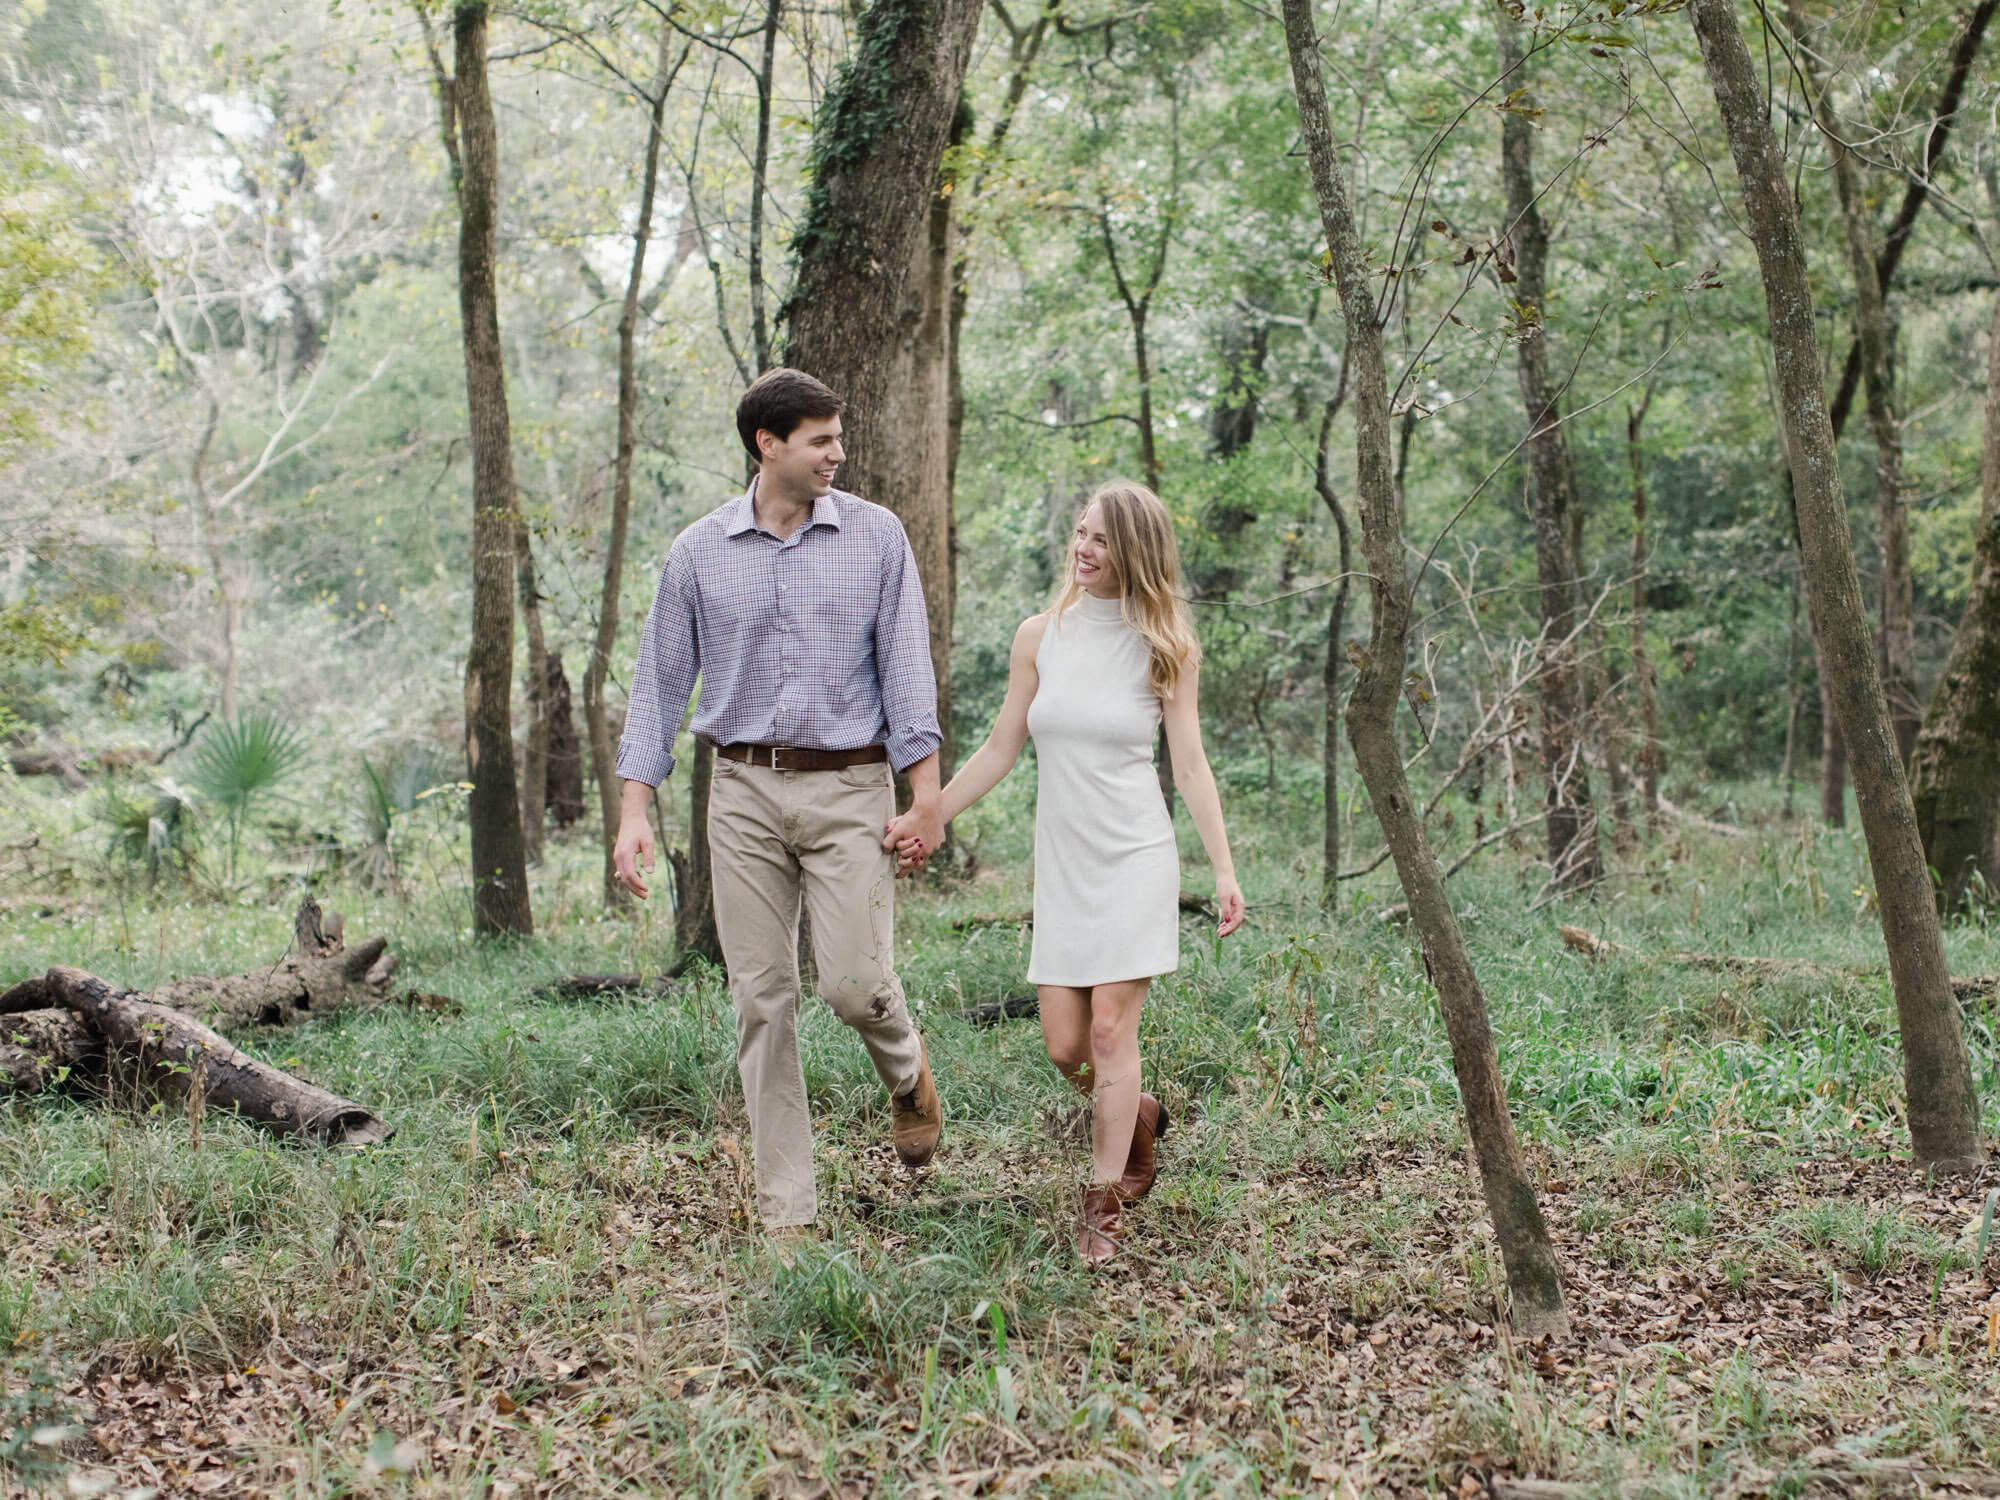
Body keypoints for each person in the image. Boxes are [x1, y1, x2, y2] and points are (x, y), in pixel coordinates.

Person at [612, 367, 945, 1241]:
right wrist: (634, 811)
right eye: (821, 439)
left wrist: (927, 802)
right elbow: (658, 687)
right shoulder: (698, 553)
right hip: (744, 790)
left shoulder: (877, 538)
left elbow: (909, 672)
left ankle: (907, 1073)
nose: (839, 453)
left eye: (839, 437)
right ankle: (786, 1216)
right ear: (769, 444)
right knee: (762, 1000)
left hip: (850, 788)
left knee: (853, 983)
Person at [891, 481, 1244, 1263]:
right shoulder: (1039, 636)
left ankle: (1103, 1203)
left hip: (1135, 857)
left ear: (1136, 553)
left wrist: (1222, 869)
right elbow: (997, 750)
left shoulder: (1167, 647)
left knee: (1114, 1033)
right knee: (1065, 1048)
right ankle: (1137, 1114)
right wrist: (930, 815)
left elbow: (1188, 764)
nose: (1083, 549)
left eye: (1102, 540)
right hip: (1065, 864)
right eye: (1081, 534)